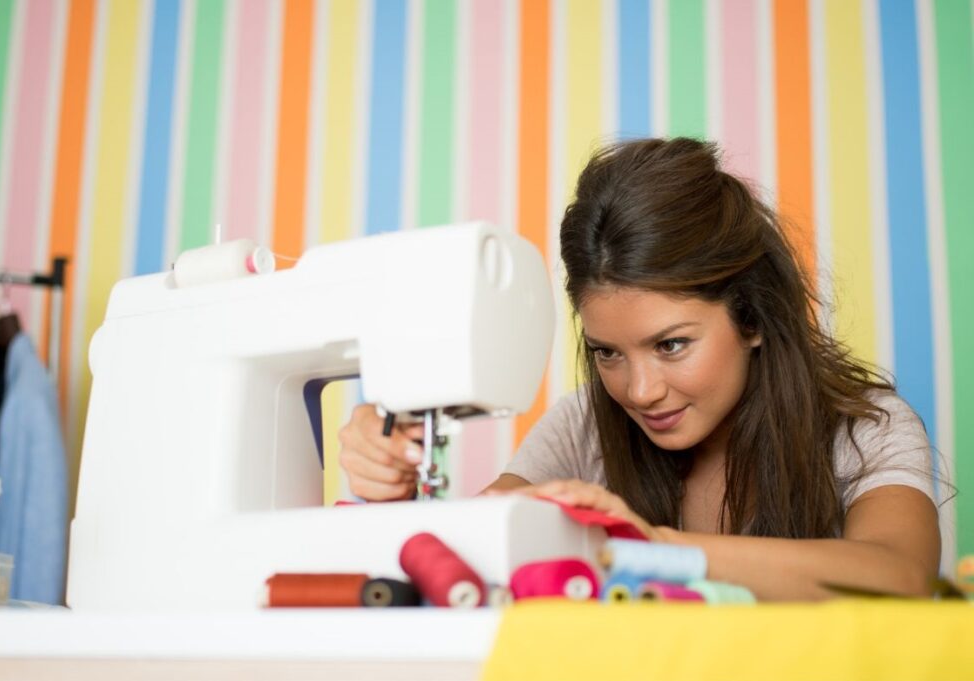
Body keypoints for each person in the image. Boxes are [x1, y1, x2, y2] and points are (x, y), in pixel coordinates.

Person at [337, 137, 944, 601]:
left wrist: (656, 549)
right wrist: (395, 483)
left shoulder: (863, 428)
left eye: (672, 345)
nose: (641, 390)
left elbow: (900, 576)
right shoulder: (583, 426)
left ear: (753, 318)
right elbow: (477, 548)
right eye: (607, 353)